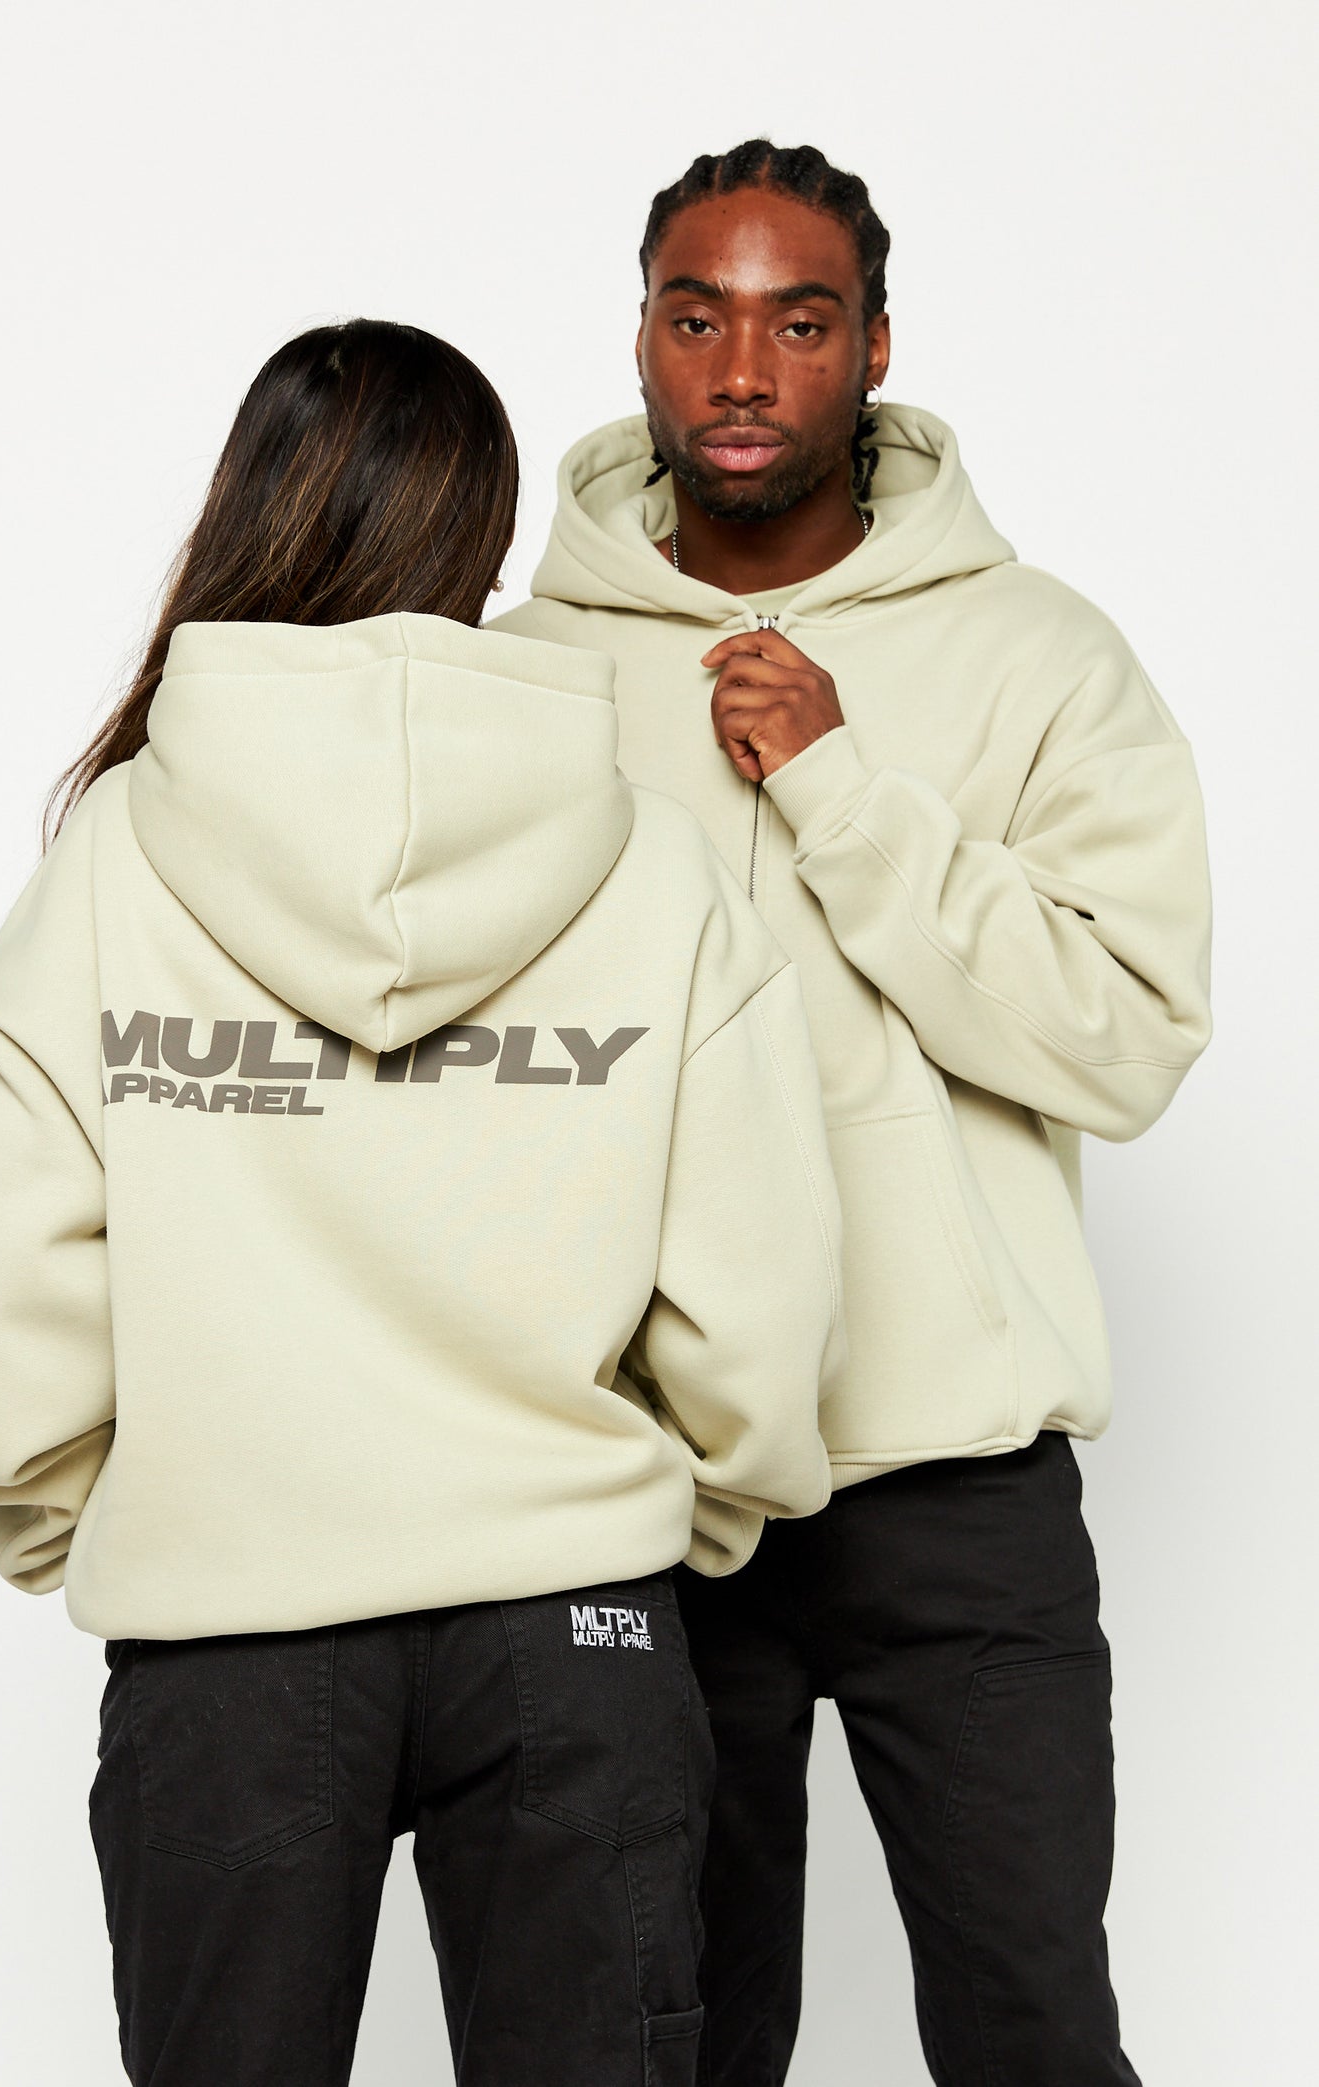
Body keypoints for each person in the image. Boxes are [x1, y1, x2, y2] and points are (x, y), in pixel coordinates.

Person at [0, 317, 845, 2087]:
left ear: (251, 507)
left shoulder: (115, 856)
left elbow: (21, 1250)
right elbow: (759, 1277)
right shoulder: (648, 860)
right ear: (481, 532)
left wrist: (93, 1514)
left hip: (228, 1634)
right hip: (570, 1617)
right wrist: (697, 1511)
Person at [494, 141, 1213, 2086]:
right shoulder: (518, 676)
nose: (742, 370)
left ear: (876, 348)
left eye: (799, 323)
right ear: (640, 338)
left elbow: (1126, 1038)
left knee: (1031, 2030)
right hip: (641, 1492)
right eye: (697, 316)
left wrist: (840, 790)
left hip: (957, 1490)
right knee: (671, 2042)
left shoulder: (1039, 654)